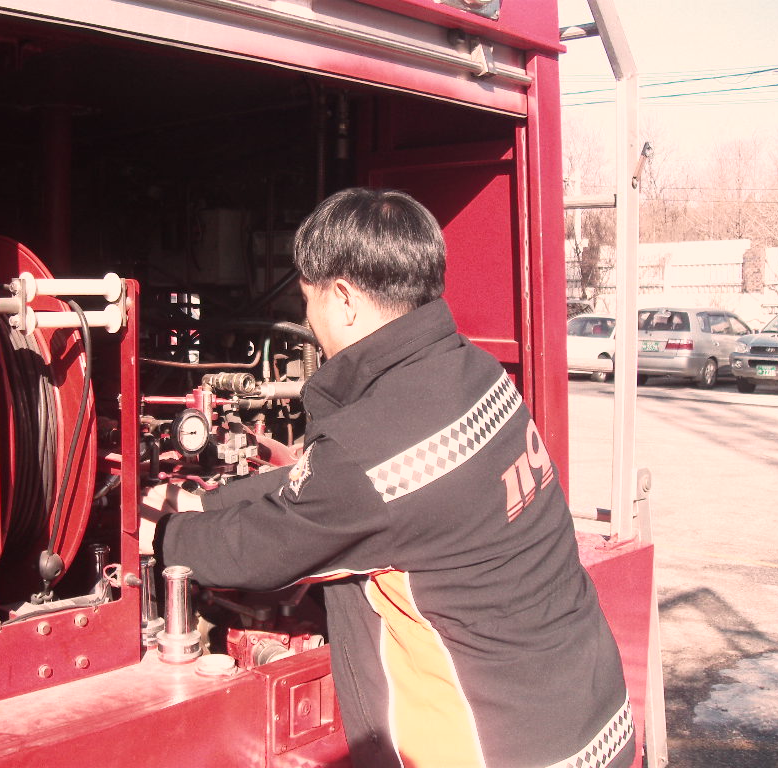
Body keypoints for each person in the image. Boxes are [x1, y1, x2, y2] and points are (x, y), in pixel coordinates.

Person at [140, 188, 635, 768]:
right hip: (594, 721)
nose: (309, 320)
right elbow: (332, 485)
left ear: (344, 299)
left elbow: (258, 550)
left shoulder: (368, 454)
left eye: (308, 301)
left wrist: (162, 533)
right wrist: (207, 501)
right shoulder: (477, 374)